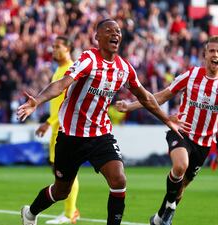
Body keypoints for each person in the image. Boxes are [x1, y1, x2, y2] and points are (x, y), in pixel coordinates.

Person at [17, 19, 186, 225]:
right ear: (97, 37)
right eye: (109, 30)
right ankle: (30, 213)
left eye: (118, 31)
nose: (115, 34)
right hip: (71, 135)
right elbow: (61, 84)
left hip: (100, 134)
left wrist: (167, 119)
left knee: (119, 179)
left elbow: (146, 97)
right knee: (61, 191)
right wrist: (38, 100)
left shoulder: (124, 68)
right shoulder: (89, 59)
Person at [115, 35, 218, 225]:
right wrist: (130, 106)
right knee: (180, 165)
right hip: (181, 131)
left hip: (204, 144)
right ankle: (170, 208)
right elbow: (162, 96)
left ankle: (158, 218)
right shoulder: (190, 76)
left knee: (181, 187)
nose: (215, 54)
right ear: (205, 54)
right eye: (211, 50)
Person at [34, 36, 80, 224]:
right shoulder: (59, 70)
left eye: (58, 46)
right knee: (59, 172)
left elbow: (65, 102)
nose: (54, 50)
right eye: (52, 47)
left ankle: (70, 214)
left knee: (67, 173)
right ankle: (70, 212)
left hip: (65, 128)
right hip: (57, 127)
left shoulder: (70, 70)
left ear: (68, 48)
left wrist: (49, 122)